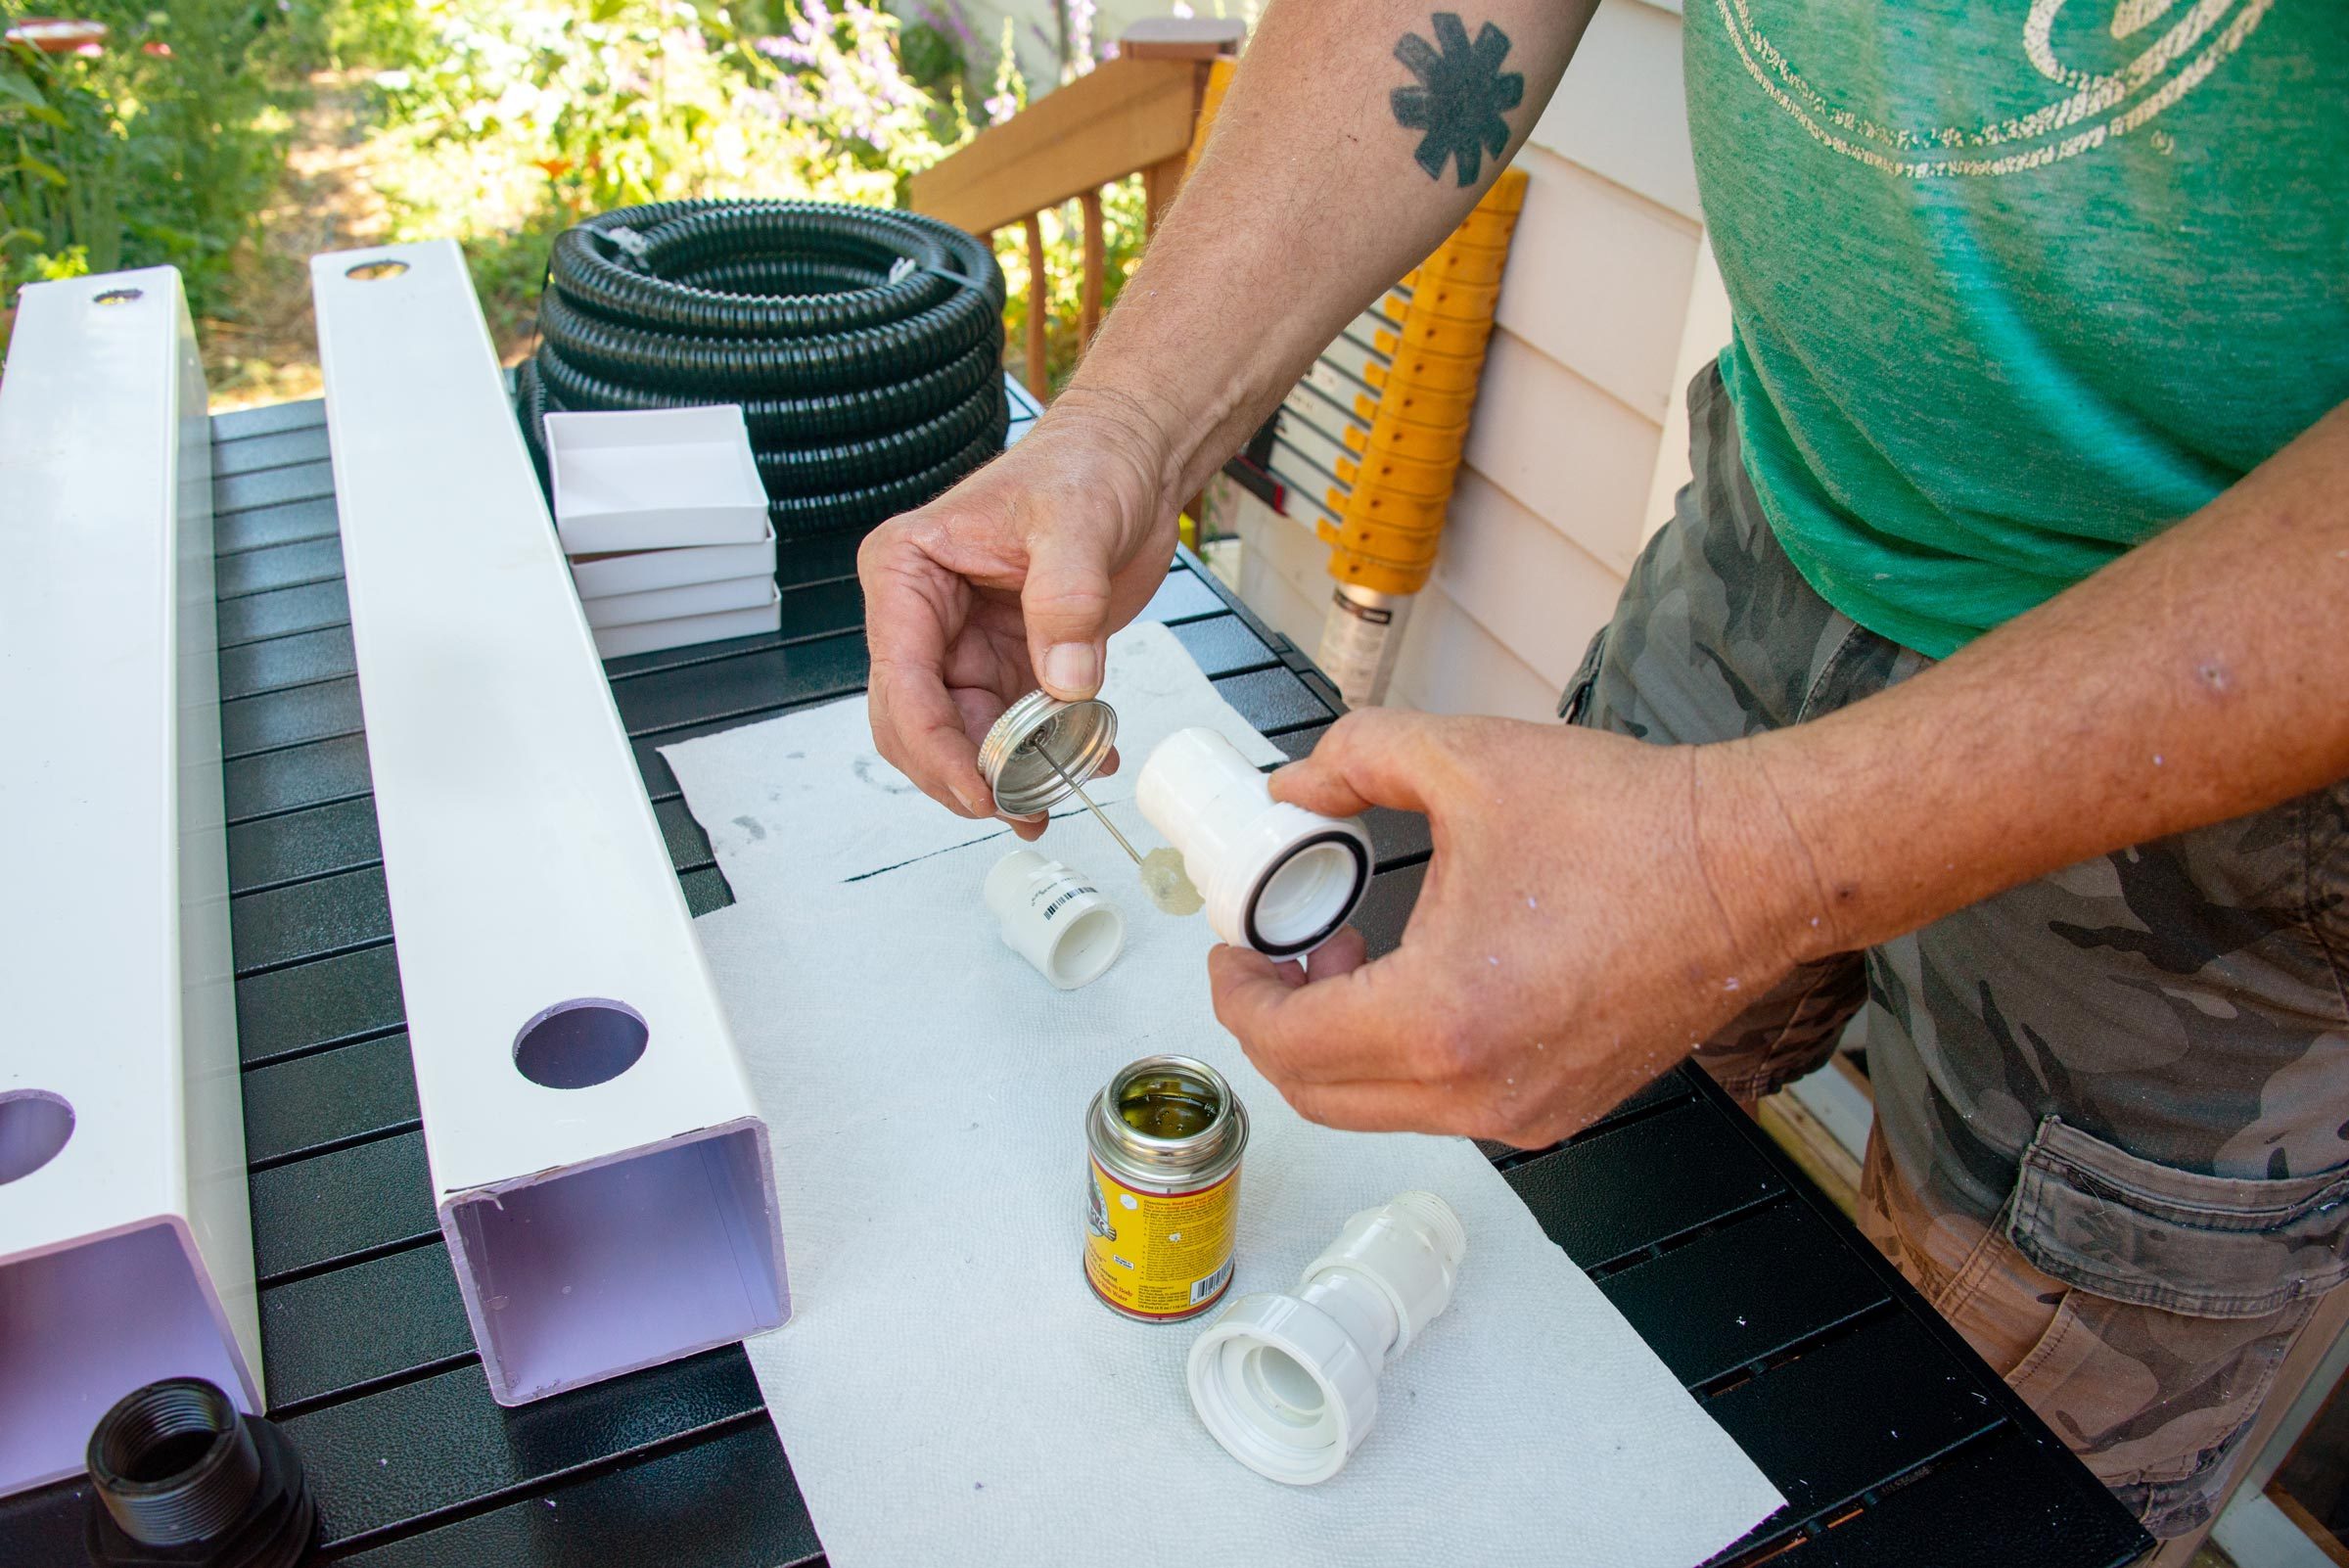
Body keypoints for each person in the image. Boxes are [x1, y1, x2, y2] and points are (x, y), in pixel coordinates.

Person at [859, 0, 2347, 1539]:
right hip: (1779, 511)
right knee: (1541, 1186)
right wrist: (1126, 424)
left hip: (2245, 758)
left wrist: (1732, 860)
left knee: (1976, 1480)